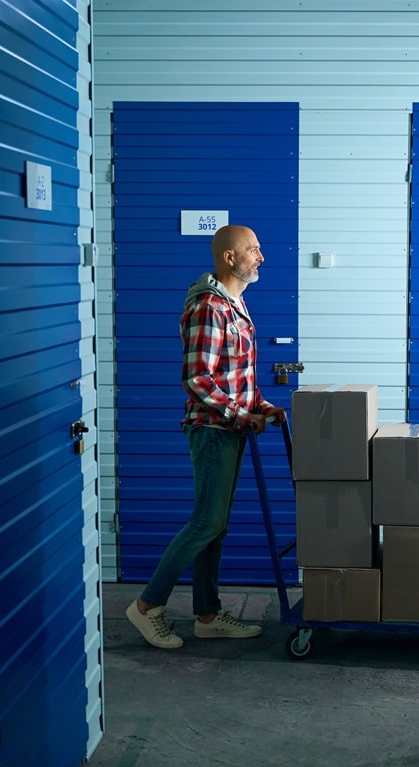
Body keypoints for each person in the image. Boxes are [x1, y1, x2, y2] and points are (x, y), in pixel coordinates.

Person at [126, 224, 287, 649]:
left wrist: (264, 408)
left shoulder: (236, 306)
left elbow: (237, 378)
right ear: (230, 258)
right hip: (213, 430)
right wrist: (239, 414)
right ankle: (146, 607)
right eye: (254, 250)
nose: (262, 257)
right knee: (207, 522)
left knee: (216, 528)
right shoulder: (209, 307)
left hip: (230, 427)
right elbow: (197, 378)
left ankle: (207, 614)